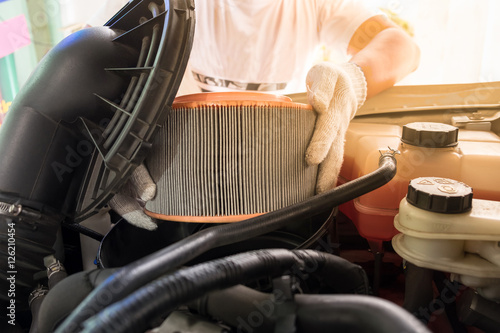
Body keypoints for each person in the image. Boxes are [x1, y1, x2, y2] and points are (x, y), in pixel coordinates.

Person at [88, 0, 420, 230]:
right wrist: (108, 131)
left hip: (275, 180)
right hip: (168, 180)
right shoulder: (152, 5)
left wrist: (353, 81)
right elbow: (90, 59)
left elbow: (401, 46)